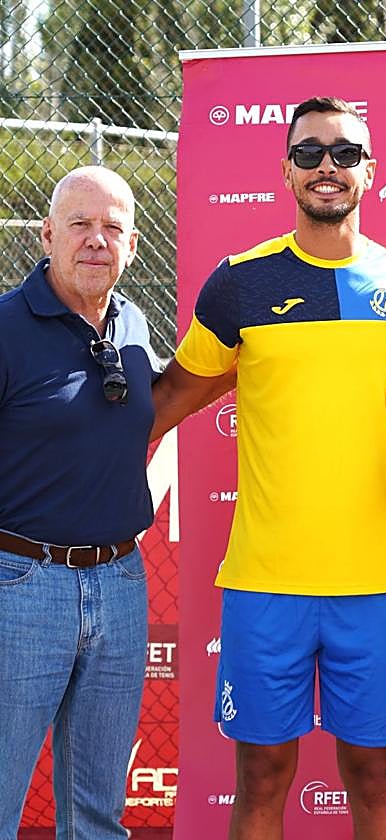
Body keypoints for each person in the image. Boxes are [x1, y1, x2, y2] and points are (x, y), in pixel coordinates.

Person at [152, 96, 386, 839]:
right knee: (262, 780)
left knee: (376, 781)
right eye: (309, 153)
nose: (326, 167)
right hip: (267, 581)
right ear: (286, 171)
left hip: (375, 580)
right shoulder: (240, 281)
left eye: (344, 153)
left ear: (370, 171)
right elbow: (171, 396)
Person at [0, 166, 155, 840]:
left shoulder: (134, 323)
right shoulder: (6, 326)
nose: (96, 240)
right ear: (47, 235)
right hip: (19, 586)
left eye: (112, 228)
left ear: (133, 245)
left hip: (120, 584)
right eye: (80, 225)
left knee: (97, 815)